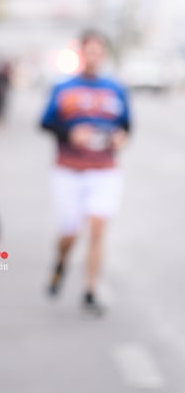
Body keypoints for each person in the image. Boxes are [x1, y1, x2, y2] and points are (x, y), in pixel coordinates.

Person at [40, 29, 130, 315]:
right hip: (69, 171)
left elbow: (126, 125)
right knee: (70, 232)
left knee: (97, 227)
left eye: (99, 51)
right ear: (81, 53)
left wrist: (120, 137)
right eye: (89, 51)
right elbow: (45, 123)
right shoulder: (63, 88)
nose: (94, 56)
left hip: (104, 171)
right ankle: (61, 262)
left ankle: (90, 289)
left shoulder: (115, 89)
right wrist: (70, 134)